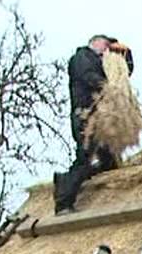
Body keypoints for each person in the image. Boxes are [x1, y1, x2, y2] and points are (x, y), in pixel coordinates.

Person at [53, 34, 134, 215]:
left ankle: (68, 182)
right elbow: (89, 77)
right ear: (94, 42)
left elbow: (125, 73)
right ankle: (63, 202)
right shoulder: (82, 57)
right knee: (84, 157)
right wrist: (109, 86)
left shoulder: (103, 63)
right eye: (105, 45)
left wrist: (125, 56)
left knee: (108, 162)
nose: (106, 50)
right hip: (85, 116)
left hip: (102, 118)